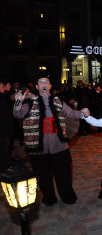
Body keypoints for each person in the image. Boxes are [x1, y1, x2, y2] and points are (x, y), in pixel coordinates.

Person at [13, 75, 87, 206]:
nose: (43, 84)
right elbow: (18, 114)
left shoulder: (58, 100)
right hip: (38, 148)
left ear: (50, 86)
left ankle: (67, 196)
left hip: (59, 145)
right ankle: (49, 198)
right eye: (40, 82)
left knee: (63, 174)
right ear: (36, 87)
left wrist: (83, 112)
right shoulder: (30, 101)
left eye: (46, 82)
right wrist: (18, 101)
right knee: (43, 176)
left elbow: (71, 113)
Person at [0, 81, 13, 172]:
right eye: (2, 87)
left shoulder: (3, 97)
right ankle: (4, 169)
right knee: (4, 148)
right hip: (3, 128)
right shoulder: (1, 97)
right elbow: (6, 111)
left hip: (3, 127)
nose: (3, 89)